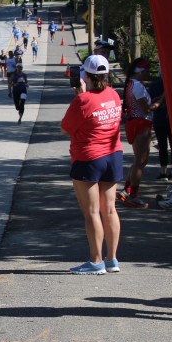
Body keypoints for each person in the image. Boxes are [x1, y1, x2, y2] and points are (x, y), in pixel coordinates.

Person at [60, 55, 123, 275]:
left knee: (92, 212)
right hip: (113, 155)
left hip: (88, 157)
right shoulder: (114, 94)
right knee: (110, 209)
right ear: (106, 75)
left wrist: (80, 95)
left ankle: (96, 261)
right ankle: (112, 259)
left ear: (86, 75)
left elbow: (65, 127)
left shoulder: (82, 100)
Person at [117, 58, 153, 209]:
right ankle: (133, 195)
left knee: (139, 160)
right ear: (141, 71)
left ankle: (127, 190)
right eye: (146, 71)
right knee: (141, 161)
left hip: (136, 122)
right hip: (141, 123)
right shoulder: (137, 85)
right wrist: (159, 102)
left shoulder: (131, 83)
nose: (147, 74)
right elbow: (146, 109)